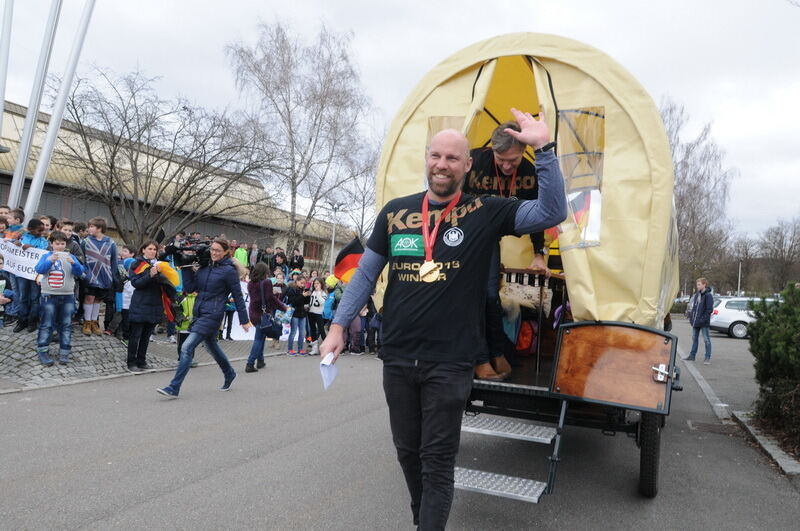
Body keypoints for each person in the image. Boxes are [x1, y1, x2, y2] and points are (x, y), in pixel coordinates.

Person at [320, 109, 566, 530]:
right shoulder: (396, 213)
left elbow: (551, 211)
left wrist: (543, 149)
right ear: (426, 158)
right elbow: (366, 274)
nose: (442, 165)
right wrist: (339, 325)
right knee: (407, 454)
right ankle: (424, 521)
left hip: (450, 362)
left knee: (436, 461)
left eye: (452, 158)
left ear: (468, 165)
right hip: (398, 356)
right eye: (436, 156)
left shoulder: (486, 211)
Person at [462, 120, 550, 380]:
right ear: (492, 150)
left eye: (514, 159)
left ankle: (496, 352)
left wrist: (538, 253)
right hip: (464, 239)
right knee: (471, 296)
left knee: (491, 296)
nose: (507, 166)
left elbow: (539, 213)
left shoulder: (530, 171)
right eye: (502, 159)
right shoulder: (474, 161)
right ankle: (478, 359)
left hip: (489, 240)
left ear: (523, 150)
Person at [157, 239, 252, 398]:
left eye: (218, 250)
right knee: (211, 346)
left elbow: (238, 296)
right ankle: (229, 373)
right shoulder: (204, 266)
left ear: (225, 252)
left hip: (213, 314)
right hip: (199, 312)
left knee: (187, 347)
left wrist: (244, 320)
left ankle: (174, 387)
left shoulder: (228, 271)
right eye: (212, 250)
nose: (214, 253)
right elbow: (190, 288)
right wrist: (185, 266)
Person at [33, 231, 85, 366]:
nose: (60, 246)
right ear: (51, 244)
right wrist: (50, 260)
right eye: (57, 244)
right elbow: (39, 269)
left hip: (67, 295)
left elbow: (80, 273)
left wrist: (74, 263)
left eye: (62, 244)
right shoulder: (46, 256)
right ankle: (43, 350)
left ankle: (65, 351)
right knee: (47, 324)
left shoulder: (71, 256)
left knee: (66, 324)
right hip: (48, 295)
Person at [126, 241, 166, 372]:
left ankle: (142, 361)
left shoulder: (158, 264)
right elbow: (136, 283)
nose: (153, 251)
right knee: (135, 335)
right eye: (150, 249)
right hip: (140, 303)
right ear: (143, 250)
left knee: (146, 336)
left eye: (155, 249)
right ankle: (131, 362)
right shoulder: (137, 264)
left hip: (155, 303)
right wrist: (150, 275)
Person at [245, 262, 288, 372]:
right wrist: (283, 307)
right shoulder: (266, 282)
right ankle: (250, 363)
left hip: (253, 313)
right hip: (262, 314)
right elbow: (271, 299)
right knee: (259, 339)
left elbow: (259, 296)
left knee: (262, 334)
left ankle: (260, 361)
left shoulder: (250, 283)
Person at [80, 217, 118, 336]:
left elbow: (114, 260)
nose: (89, 229)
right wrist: (85, 274)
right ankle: (87, 322)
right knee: (89, 298)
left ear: (99, 228)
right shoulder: (85, 242)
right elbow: (82, 259)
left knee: (98, 299)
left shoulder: (110, 242)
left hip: (105, 276)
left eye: (92, 226)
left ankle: (95, 322)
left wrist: (112, 276)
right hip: (90, 276)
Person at [15, 218, 50, 333]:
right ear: (30, 229)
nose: (41, 233)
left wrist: (32, 248)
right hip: (22, 273)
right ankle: (22, 320)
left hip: (35, 274)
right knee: (22, 297)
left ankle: (32, 321)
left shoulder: (43, 241)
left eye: (42, 230)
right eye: (38, 230)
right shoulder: (23, 236)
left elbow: (44, 252)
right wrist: (16, 244)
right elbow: (15, 246)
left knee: (35, 298)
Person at [684, 277, 714, 365]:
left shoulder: (708, 296)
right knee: (694, 338)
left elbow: (709, 310)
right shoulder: (697, 295)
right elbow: (694, 308)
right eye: (697, 284)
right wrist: (691, 318)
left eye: (699, 284)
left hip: (704, 322)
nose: (697, 286)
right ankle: (692, 356)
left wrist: (702, 319)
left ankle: (707, 357)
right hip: (695, 322)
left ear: (704, 284)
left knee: (706, 339)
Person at [285, 275, 311, 356]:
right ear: (296, 281)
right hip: (294, 313)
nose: (303, 285)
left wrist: (308, 295)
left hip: (302, 313)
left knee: (302, 333)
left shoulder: (303, 289)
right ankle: (290, 349)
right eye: (301, 283)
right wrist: (302, 296)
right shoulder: (291, 290)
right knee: (293, 332)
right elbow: (293, 302)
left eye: (304, 283)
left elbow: (305, 302)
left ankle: (300, 349)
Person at [307, 277, 328, 354]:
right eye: (315, 283)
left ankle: (327, 347)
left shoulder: (323, 293)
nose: (316, 285)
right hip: (311, 312)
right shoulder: (312, 291)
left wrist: (319, 292)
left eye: (318, 283)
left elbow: (322, 302)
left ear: (321, 284)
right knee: (312, 330)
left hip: (319, 314)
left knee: (321, 330)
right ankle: (315, 349)